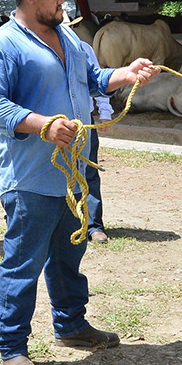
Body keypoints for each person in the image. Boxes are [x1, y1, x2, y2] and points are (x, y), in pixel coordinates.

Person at [0, 0, 157, 365]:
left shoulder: (72, 40)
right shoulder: (2, 45)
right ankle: (13, 347)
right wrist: (43, 124)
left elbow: (93, 79)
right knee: (23, 262)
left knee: (68, 256)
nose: (63, 2)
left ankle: (71, 324)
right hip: (32, 176)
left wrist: (124, 75)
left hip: (73, 175)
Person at [74, 32, 111, 243]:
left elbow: (97, 78)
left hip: (84, 120)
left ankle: (94, 225)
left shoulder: (83, 48)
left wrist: (104, 110)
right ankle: (67, 223)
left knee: (89, 171)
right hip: (53, 119)